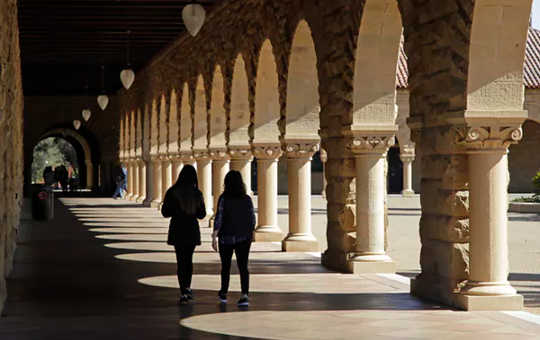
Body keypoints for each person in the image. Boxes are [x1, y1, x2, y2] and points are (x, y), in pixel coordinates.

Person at [161, 165, 206, 304]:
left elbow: (165, 212)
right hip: (191, 229)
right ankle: (187, 287)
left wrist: (177, 211)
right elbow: (202, 214)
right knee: (188, 260)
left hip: (178, 229)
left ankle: (183, 291)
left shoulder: (172, 192)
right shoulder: (197, 193)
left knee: (180, 261)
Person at [212, 170, 256, 306]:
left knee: (225, 266)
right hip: (243, 237)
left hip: (226, 237)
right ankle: (244, 294)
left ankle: (224, 293)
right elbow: (252, 219)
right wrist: (250, 233)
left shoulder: (224, 198)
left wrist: (214, 236)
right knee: (243, 266)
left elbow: (219, 217)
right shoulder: (246, 199)